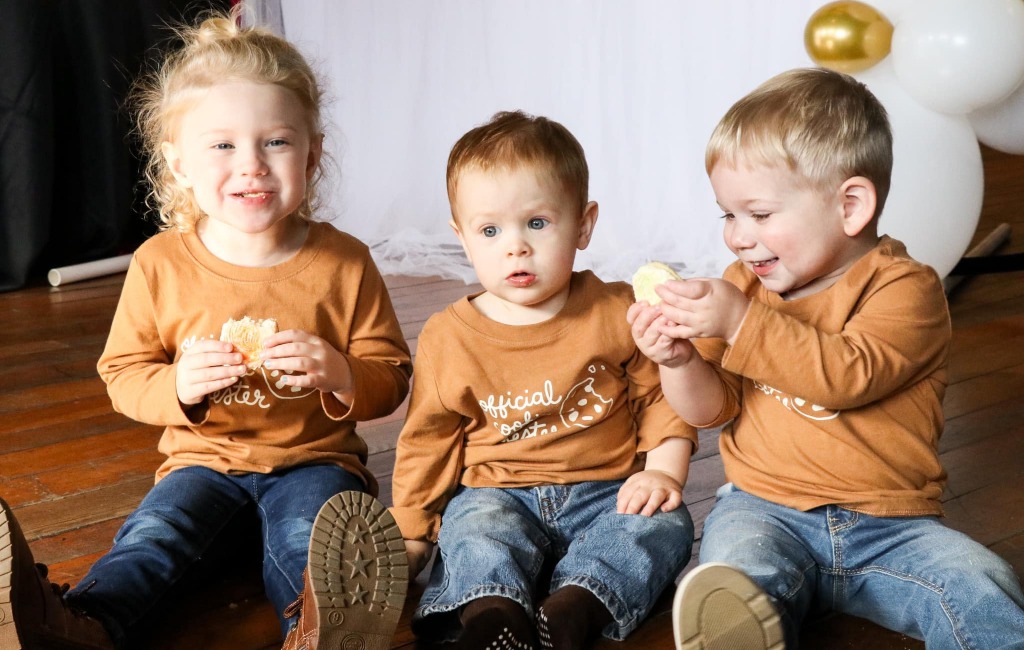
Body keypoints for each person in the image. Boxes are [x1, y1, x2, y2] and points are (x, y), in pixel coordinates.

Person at [0, 8, 412, 650]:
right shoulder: (160, 262)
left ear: (312, 152)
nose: (251, 165)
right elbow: (124, 374)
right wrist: (179, 387)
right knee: (156, 537)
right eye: (222, 145)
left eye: (275, 142)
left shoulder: (344, 261)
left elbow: (391, 378)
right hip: (201, 463)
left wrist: (340, 372)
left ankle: (325, 629)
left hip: (313, 460)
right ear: (179, 162)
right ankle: (77, 626)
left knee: (312, 540)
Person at [629, 67, 1024, 650]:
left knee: (980, 585)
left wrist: (741, 321)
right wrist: (678, 361)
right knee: (737, 574)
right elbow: (712, 411)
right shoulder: (746, 286)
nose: (737, 237)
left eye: (758, 215)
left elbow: (847, 375)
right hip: (763, 509)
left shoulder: (904, 289)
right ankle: (748, 623)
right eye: (728, 215)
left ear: (851, 206)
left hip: (891, 526)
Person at [389, 110, 697, 650]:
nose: (516, 247)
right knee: (476, 532)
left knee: (663, 526)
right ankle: (492, 612)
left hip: (607, 491)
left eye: (537, 223)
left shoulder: (616, 309)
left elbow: (659, 396)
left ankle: (579, 604)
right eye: (490, 230)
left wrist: (664, 474)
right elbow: (428, 439)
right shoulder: (449, 336)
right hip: (499, 489)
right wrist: (413, 528)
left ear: (583, 223)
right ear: (462, 237)